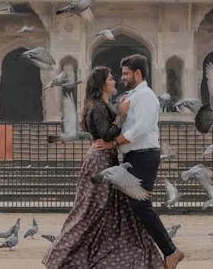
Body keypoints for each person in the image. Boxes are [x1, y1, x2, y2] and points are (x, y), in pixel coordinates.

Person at [42, 66, 164, 268]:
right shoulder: (98, 105)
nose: (115, 81)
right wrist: (122, 115)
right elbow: (107, 134)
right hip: (100, 161)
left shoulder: (102, 104)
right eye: (110, 79)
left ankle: (114, 259)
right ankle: (62, 254)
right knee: (92, 209)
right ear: (102, 84)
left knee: (111, 211)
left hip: (107, 160)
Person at [100, 55, 184, 269]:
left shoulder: (146, 96)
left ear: (139, 73)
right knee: (131, 207)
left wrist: (114, 143)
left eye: (127, 73)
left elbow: (141, 129)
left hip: (144, 155)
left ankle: (171, 251)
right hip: (133, 156)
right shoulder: (133, 96)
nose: (123, 77)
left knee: (141, 205)